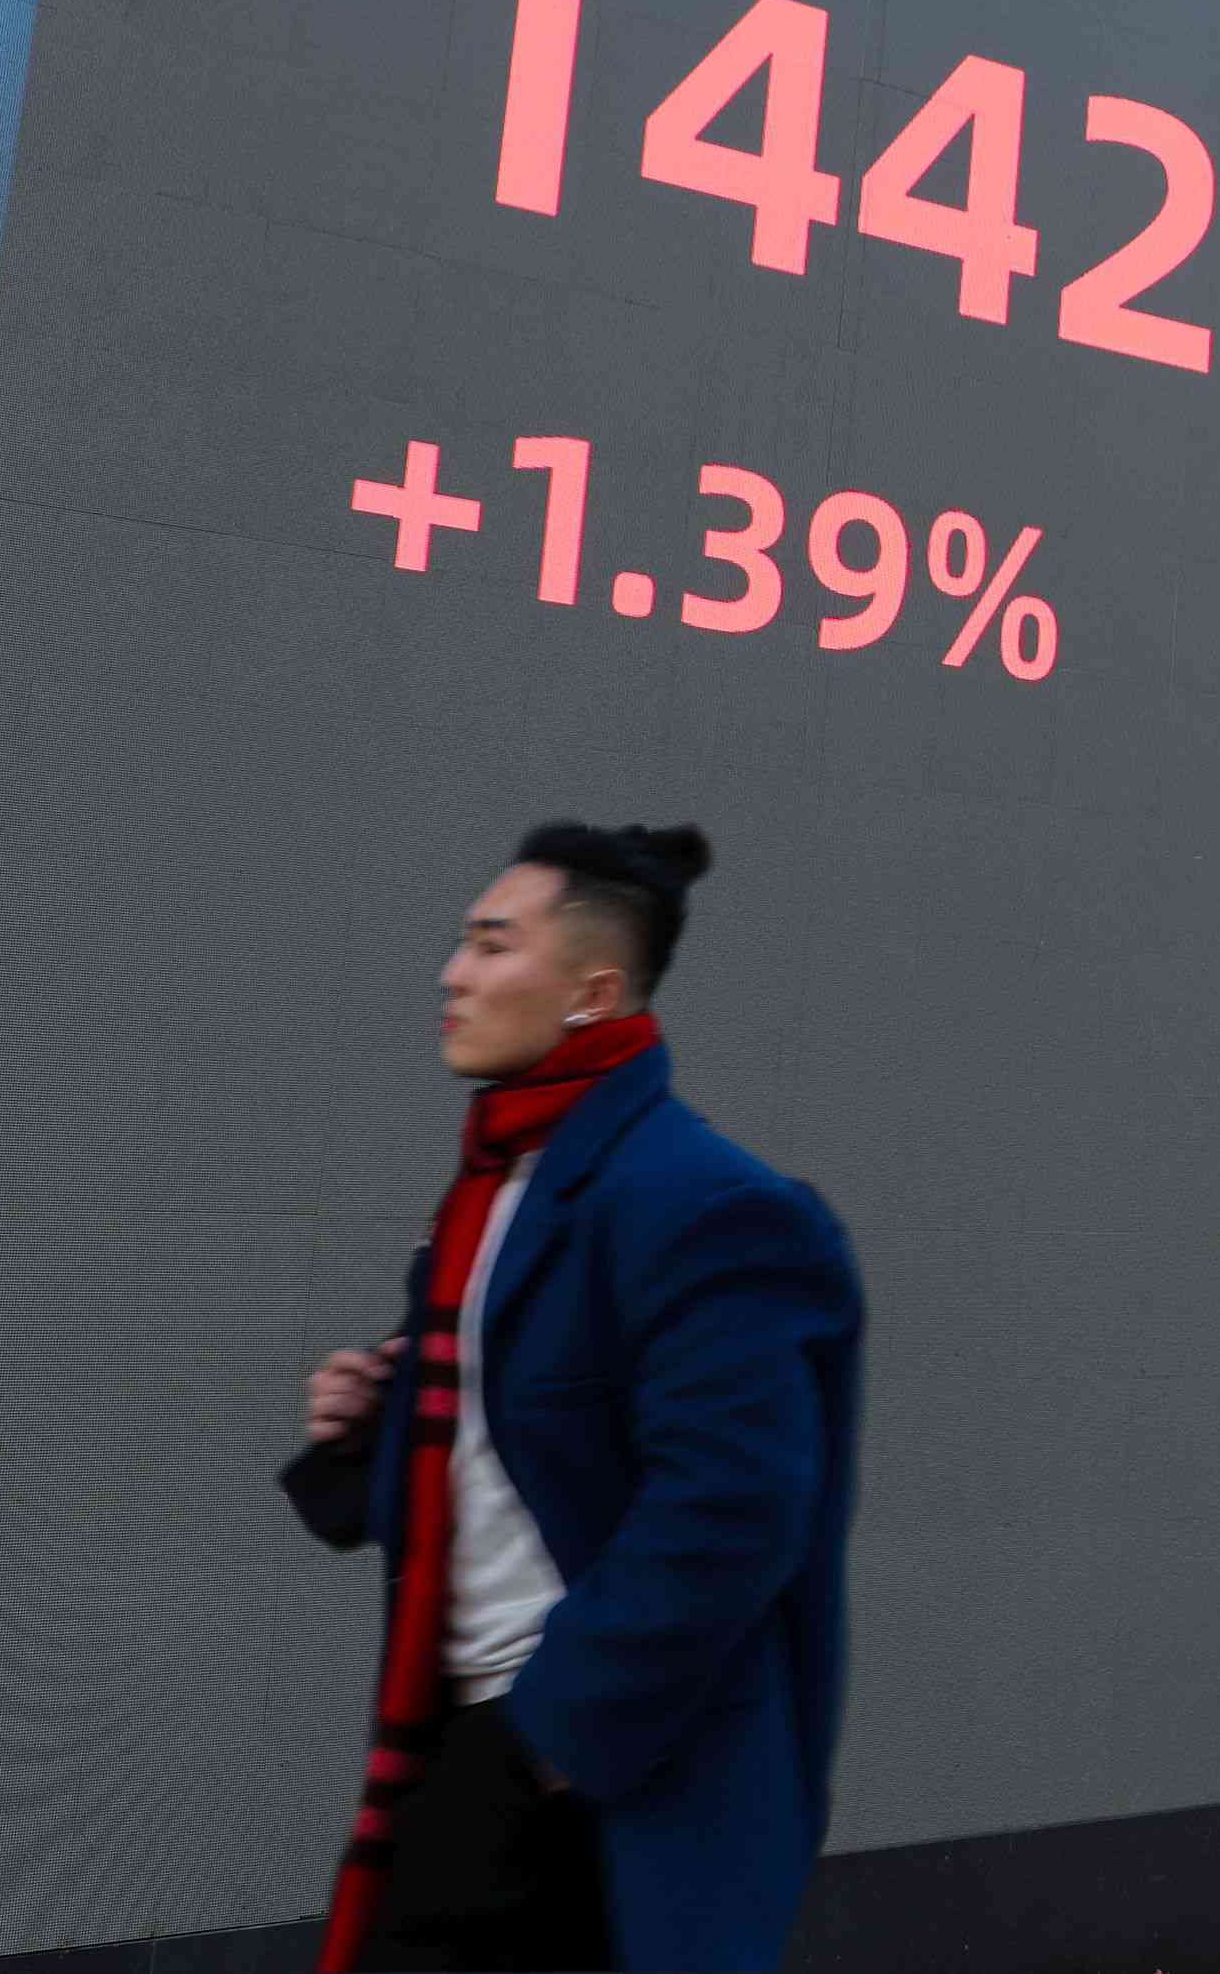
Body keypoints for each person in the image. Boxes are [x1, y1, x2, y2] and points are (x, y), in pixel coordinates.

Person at [286, 822, 863, 1973]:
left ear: (594, 993)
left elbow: (734, 1506)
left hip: (592, 1777)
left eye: (493, 945)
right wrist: (368, 1430)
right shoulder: (497, 1190)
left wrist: (549, 1739)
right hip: (466, 1737)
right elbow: (500, 1455)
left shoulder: (705, 1203)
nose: (453, 975)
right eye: (462, 944)